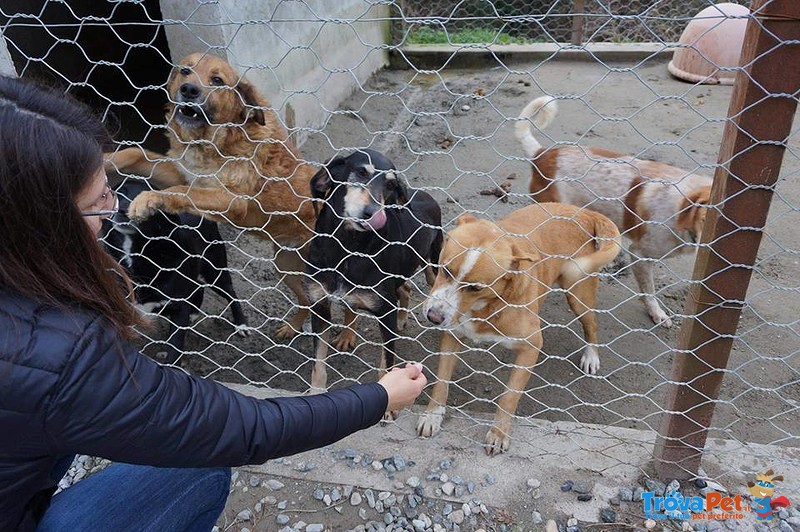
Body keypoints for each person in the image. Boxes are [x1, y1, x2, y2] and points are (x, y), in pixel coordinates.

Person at [0, 75, 428, 532]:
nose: (113, 207)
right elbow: (241, 429)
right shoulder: (59, 353)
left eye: (110, 187)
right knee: (199, 464)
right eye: (99, 198)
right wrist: (380, 397)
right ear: (39, 222)